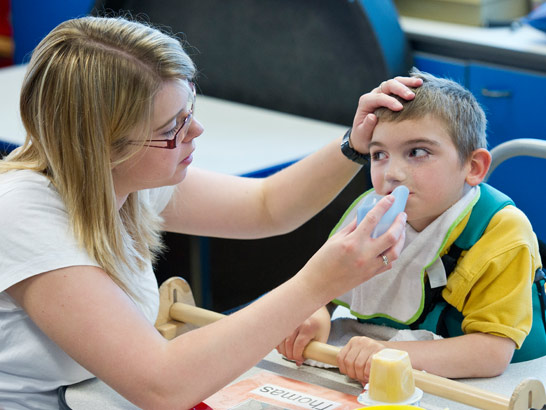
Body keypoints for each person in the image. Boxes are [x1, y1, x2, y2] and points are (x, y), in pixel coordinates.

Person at [0, 16, 420, 409]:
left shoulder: (124, 179)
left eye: (190, 110)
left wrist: (353, 145)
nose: (195, 131)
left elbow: (266, 207)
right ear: (102, 146)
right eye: (171, 129)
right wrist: (316, 284)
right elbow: (161, 385)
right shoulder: (25, 215)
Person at [277, 69, 542, 383]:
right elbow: (325, 288)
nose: (393, 173)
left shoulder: (501, 231)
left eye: (417, 152)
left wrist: (389, 355)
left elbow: (492, 354)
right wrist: (315, 317)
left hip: (504, 384)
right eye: (379, 154)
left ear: (473, 167)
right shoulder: (371, 211)